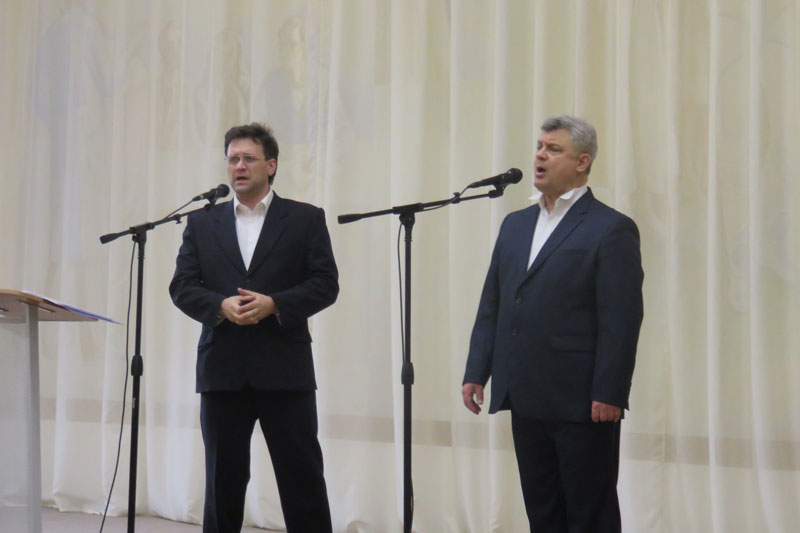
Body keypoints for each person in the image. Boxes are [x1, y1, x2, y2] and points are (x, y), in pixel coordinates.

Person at [461, 115, 644, 532]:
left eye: (554, 149)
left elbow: (621, 319)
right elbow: (494, 303)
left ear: (582, 162)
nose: (540, 156)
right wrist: (477, 370)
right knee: (542, 510)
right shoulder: (515, 224)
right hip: (525, 392)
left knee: (589, 513)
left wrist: (610, 392)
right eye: (540, 147)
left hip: (582, 401)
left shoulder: (610, 228)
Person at [169, 123, 338, 532]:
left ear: (271, 165)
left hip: (284, 368)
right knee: (222, 484)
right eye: (233, 159)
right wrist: (220, 306)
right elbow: (182, 286)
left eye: (248, 158)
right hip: (223, 369)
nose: (239, 167)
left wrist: (275, 304)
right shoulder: (202, 223)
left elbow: (325, 284)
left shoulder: (305, 219)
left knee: (302, 480)